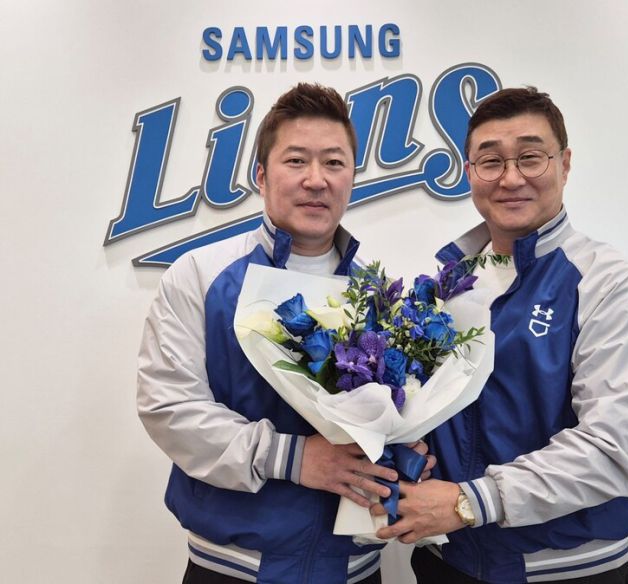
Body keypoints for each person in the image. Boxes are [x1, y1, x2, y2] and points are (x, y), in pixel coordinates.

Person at [372, 87, 628, 584]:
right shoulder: (446, 284)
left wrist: (471, 501)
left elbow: (615, 449)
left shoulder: (607, 284)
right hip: (447, 565)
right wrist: (407, 456)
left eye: (530, 157)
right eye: (491, 161)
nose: (511, 178)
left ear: (564, 164)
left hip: (566, 571)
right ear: (469, 172)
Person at [137, 83, 426, 584]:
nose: (316, 179)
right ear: (261, 175)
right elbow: (169, 407)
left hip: (355, 570)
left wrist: (407, 452)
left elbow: (393, 416)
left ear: (352, 177)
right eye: (296, 161)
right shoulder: (201, 274)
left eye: (334, 163)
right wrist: (293, 458)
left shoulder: (378, 296)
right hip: (232, 567)